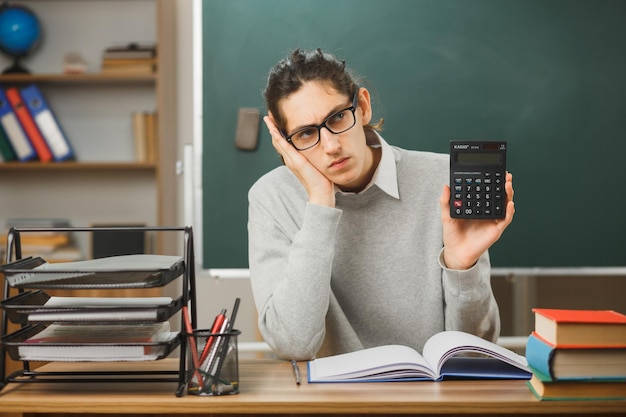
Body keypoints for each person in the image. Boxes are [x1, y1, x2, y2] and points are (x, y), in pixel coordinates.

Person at [247, 48, 515, 360]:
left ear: (362, 106)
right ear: (285, 144)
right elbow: (293, 343)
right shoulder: (272, 197)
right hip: (331, 405)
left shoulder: (444, 180)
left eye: (337, 118)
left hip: (433, 402)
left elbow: (476, 357)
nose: (331, 146)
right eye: (306, 133)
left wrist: (461, 267)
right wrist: (320, 204)